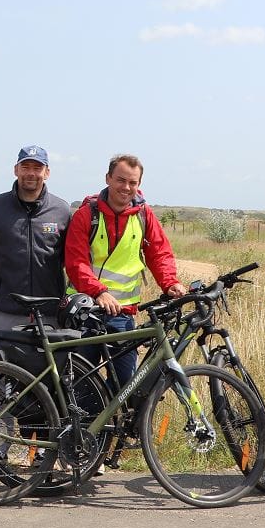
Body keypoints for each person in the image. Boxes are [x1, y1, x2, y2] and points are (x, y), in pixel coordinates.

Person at [63, 153, 186, 389]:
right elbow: (76, 262)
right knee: (82, 386)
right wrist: (98, 292)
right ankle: (86, 425)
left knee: (125, 386)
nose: (126, 187)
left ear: (139, 185)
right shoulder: (87, 215)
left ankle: (112, 424)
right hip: (85, 312)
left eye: (133, 182)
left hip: (123, 315)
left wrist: (170, 282)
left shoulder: (143, 214)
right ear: (108, 178)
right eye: (120, 180)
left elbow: (159, 252)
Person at [0, 144, 72, 341]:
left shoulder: (62, 210)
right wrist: (4, 278)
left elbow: (65, 256)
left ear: (47, 173)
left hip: (49, 309)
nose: (31, 173)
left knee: (47, 369)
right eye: (25, 167)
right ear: (16, 170)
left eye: (37, 168)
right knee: (2, 370)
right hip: (6, 308)